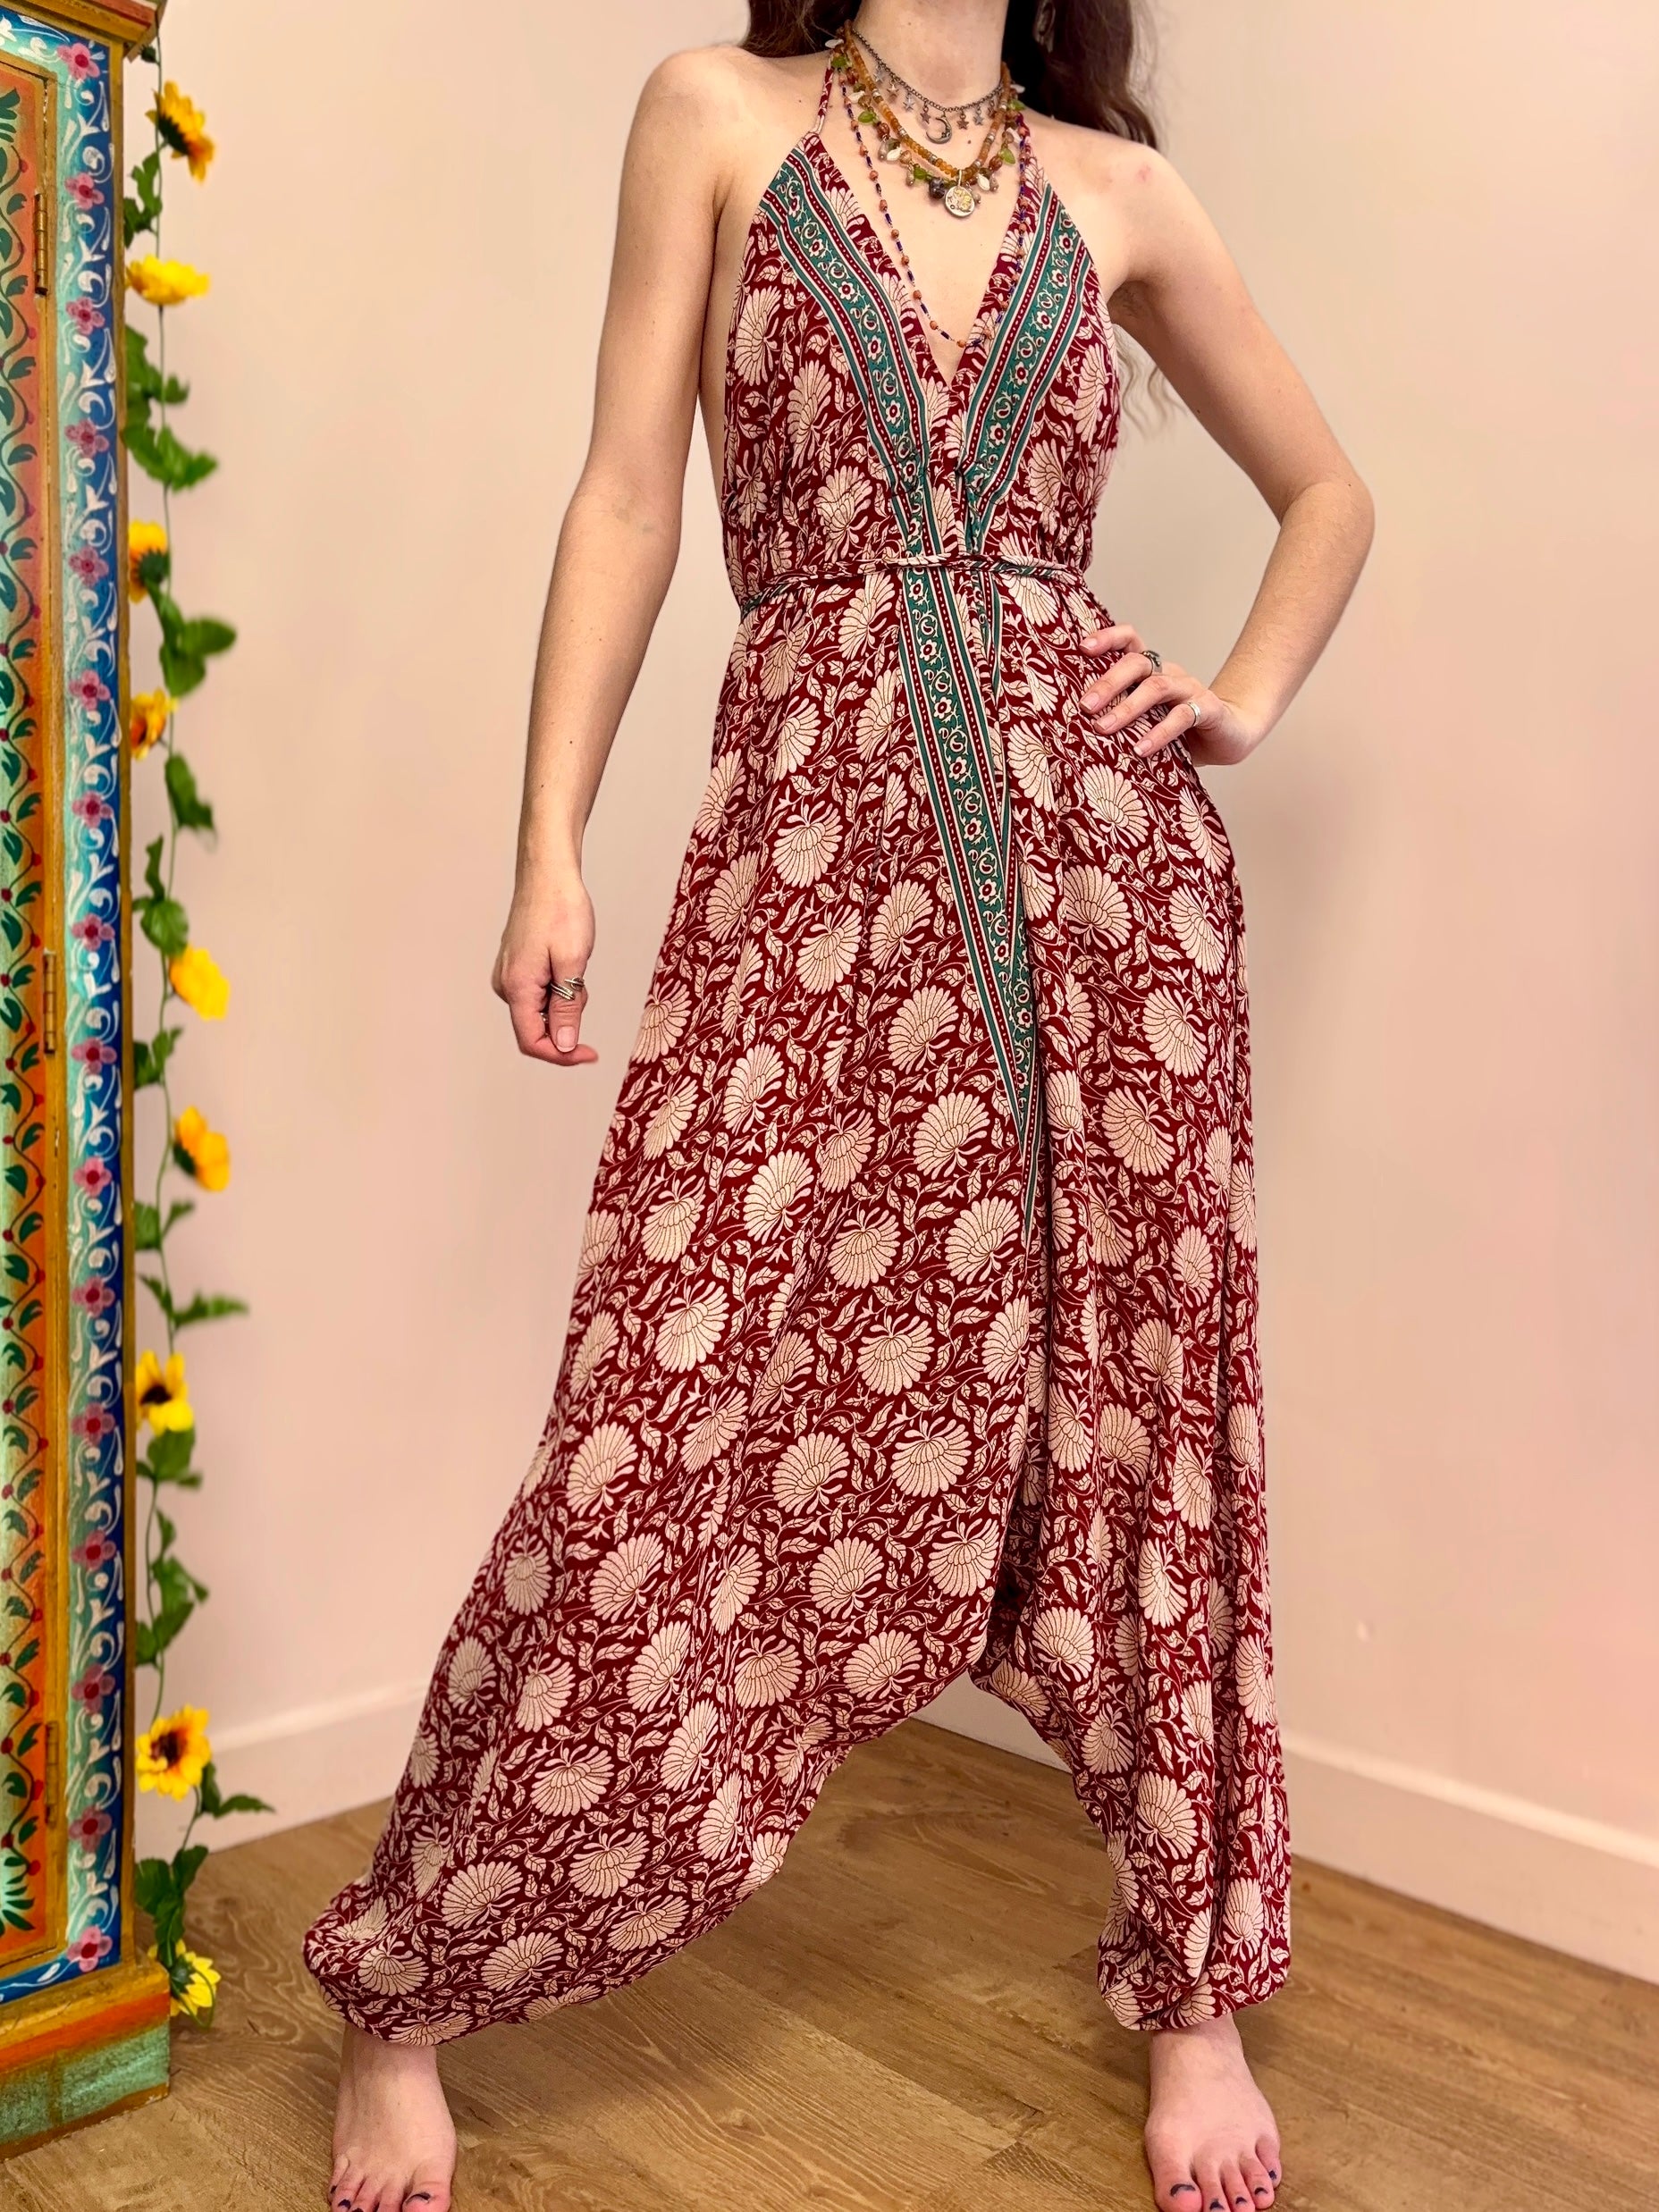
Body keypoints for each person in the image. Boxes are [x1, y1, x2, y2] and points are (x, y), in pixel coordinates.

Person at [307, 4, 1373, 2208]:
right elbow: (629, 490)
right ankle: (407, 1977)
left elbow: (1330, 491)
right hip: (810, 865)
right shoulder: (717, 115)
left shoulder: (1120, 190)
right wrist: (547, 843)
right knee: (662, 1403)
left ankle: (1191, 1990)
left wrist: (1241, 692)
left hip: (1112, 904)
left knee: (1141, 1419)